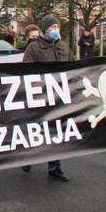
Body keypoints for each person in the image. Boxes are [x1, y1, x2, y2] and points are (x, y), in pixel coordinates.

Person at [22, 15, 73, 181]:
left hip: (59, 97)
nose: (55, 30)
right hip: (40, 96)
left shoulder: (64, 47)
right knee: (37, 130)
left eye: (57, 26)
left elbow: (74, 67)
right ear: (44, 30)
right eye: (52, 27)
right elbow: (26, 71)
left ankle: (55, 167)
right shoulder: (34, 48)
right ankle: (27, 156)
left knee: (55, 132)